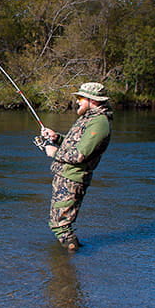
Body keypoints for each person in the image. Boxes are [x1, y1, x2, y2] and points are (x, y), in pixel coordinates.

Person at [41, 82, 113, 252]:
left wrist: (54, 153)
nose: (77, 101)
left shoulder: (100, 123)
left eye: (80, 98)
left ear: (93, 100)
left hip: (73, 179)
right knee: (59, 223)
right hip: (66, 175)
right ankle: (71, 262)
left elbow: (81, 154)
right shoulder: (90, 118)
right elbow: (75, 144)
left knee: (61, 225)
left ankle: (67, 270)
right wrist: (56, 137)